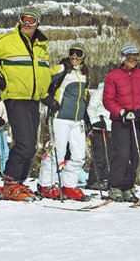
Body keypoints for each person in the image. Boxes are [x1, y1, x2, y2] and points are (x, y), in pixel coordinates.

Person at [0, 6, 52, 201]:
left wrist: (46, 94)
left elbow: (42, 73)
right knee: (25, 143)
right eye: (24, 19)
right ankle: (10, 184)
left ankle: (19, 182)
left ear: (37, 23)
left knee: (32, 146)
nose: (27, 24)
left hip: (34, 99)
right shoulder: (7, 40)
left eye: (31, 21)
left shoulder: (41, 46)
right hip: (15, 97)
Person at [103, 43, 140, 202]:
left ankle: (128, 186)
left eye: (135, 58)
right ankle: (115, 186)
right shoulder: (113, 76)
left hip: (138, 119)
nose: (133, 60)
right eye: (130, 58)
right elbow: (108, 100)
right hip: (121, 121)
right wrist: (122, 112)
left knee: (135, 153)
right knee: (122, 154)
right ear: (123, 58)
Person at [38, 42, 90, 201]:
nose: (74, 57)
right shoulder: (61, 69)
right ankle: (46, 185)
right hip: (60, 117)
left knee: (79, 155)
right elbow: (42, 80)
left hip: (77, 120)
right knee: (58, 153)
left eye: (78, 54)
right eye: (72, 53)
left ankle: (68, 186)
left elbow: (84, 97)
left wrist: (86, 117)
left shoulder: (85, 74)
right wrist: (49, 101)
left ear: (84, 57)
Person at [85, 82, 111, 191]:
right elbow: (91, 108)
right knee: (100, 155)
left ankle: (104, 179)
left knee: (109, 155)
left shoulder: (115, 92)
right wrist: (95, 121)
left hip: (111, 127)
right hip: (99, 128)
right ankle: (94, 180)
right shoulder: (100, 92)